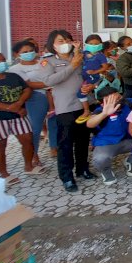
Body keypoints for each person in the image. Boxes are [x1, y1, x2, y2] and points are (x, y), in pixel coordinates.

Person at [39, 29, 96, 192]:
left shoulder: (81, 57)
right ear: (53, 45)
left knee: (83, 139)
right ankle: (67, 176)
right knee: (65, 143)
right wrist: (72, 66)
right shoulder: (48, 62)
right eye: (60, 41)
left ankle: (83, 169)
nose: (65, 44)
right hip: (65, 108)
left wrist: (92, 84)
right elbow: (48, 81)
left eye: (67, 40)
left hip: (84, 105)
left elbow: (89, 76)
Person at [0, 52, 42, 184]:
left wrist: (19, 103)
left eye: (3, 60)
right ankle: (4, 174)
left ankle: (29, 166)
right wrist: (8, 108)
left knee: (27, 140)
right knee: (0, 145)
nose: (2, 62)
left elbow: (26, 90)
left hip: (18, 115)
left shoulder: (13, 76)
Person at [9, 39, 54, 168]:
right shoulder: (15, 69)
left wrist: (52, 82)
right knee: (35, 128)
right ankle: (33, 155)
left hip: (52, 94)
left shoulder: (44, 62)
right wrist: (51, 83)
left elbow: (54, 74)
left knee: (54, 122)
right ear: (17, 54)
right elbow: (28, 84)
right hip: (34, 97)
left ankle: (54, 148)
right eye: (25, 52)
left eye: (31, 51)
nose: (29, 53)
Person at [86, 86, 132, 185]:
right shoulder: (99, 111)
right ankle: (106, 171)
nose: (119, 101)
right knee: (100, 159)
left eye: (119, 97)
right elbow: (90, 123)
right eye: (113, 100)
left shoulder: (129, 103)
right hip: (107, 143)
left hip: (129, 140)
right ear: (102, 103)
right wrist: (104, 114)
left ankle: (131, 161)